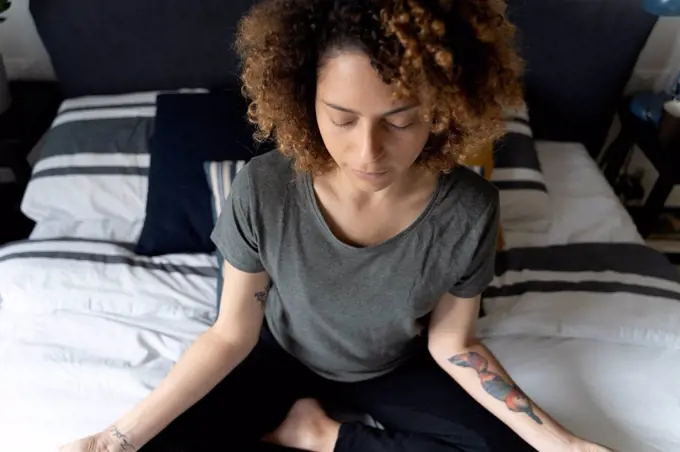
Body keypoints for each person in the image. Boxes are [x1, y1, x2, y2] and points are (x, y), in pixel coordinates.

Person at [60, 1, 614, 451]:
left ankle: (318, 435)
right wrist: (114, 441)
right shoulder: (264, 188)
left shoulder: (469, 209)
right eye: (342, 119)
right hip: (275, 357)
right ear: (305, 101)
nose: (367, 151)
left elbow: (453, 342)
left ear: (444, 108)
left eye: (400, 120)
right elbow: (231, 334)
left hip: (393, 366)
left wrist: (563, 444)